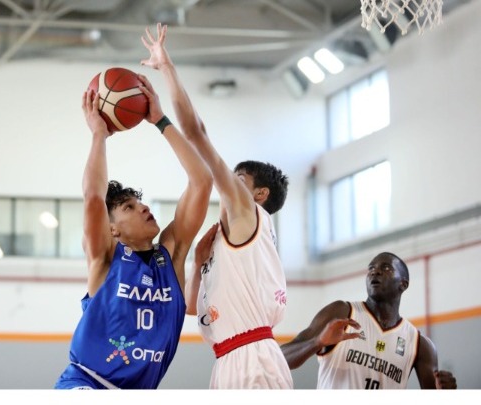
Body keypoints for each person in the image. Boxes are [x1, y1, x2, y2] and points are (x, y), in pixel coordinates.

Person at [141, 23, 293, 389]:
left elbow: (197, 133)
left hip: (253, 358)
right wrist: (197, 263)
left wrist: (166, 70)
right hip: (228, 358)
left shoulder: (247, 215)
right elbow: (194, 308)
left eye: (239, 179)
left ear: (259, 195)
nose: (229, 184)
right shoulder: (232, 241)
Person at [53, 65, 212, 388]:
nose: (144, 208)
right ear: (112, 229)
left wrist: (160, 121)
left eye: (140, 203)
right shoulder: (105, 258)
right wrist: (99, 135)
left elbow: (202, 181)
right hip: (87, 383)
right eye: (129, 207)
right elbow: (93, 197)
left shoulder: (172, 255)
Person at [280, 251, 458, 389]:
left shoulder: (419, 344)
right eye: (371, 268)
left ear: (403, 284)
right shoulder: (342, 312)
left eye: (386, 268)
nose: (375, 272)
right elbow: (280, 358)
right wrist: (317, 342)